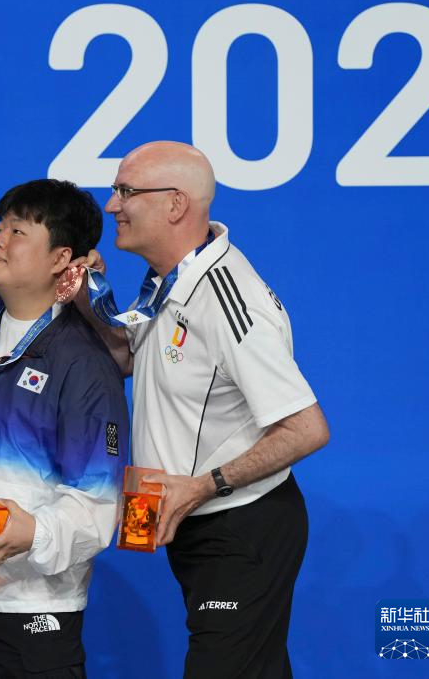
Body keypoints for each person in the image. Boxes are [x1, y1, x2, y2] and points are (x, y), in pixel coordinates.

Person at [79, 141, 330, 678]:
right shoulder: (168, 279)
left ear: (175, 204)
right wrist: (85, 295)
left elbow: (307, 428)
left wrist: (202, 486)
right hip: (200, 523)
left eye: (125, 191)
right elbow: (129, 359)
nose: (111, 205)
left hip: (240, 529)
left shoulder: (227, 299)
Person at [0, 179, 129, 678]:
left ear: (62, 258)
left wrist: (34, 532)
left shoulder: (84, 363)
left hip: (30, 606)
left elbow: (99, 503)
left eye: (17, 231)